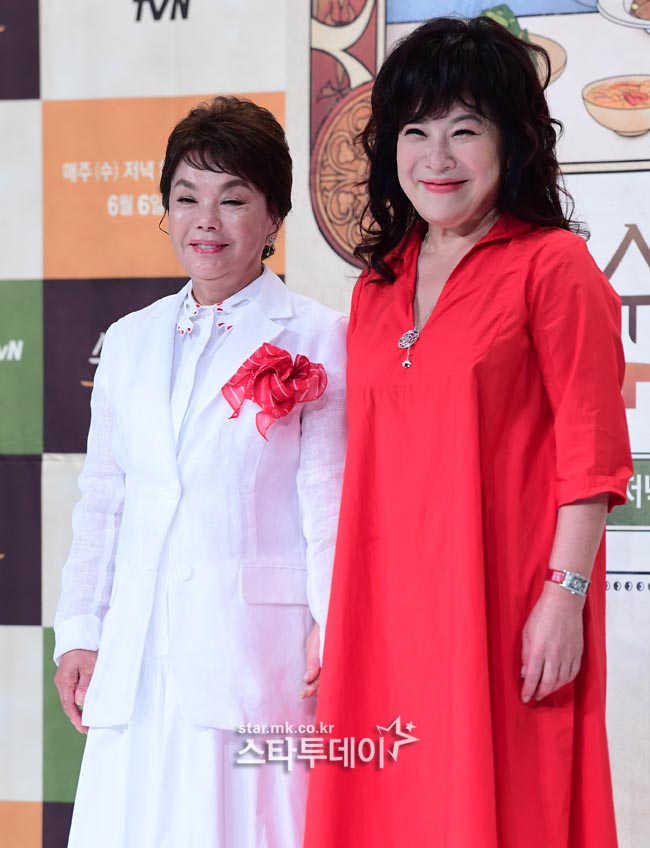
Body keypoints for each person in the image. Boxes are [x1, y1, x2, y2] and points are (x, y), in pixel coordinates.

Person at [304, 17, 632, 848]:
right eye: (416, 132)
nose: (436, 158)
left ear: (513, 140)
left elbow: (590, 458)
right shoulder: (377, 286)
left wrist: (563, 600)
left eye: (465, 130)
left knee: (502, 808)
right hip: (382, 612)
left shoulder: (555, 266)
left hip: (504, 607)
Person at [53, 96, 346, 848]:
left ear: (274, 217)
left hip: (256, 655)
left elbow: (329, 499)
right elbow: (105, 499)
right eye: (186, 198)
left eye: (232, 199)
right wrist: (83, 629)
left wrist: (333, 624)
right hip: (139, 655)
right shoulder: (129, 339)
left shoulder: (319, 336)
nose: (205, 221)